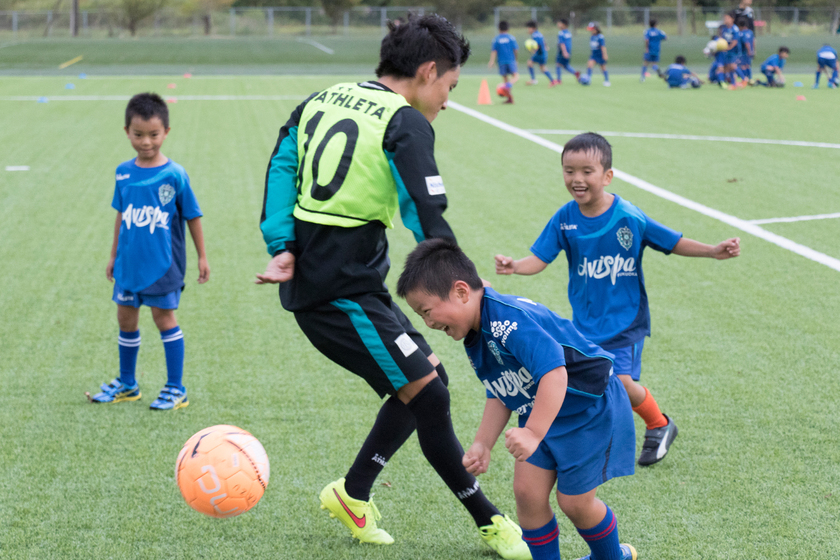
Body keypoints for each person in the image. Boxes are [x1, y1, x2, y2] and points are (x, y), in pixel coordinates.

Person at [256, 14, 529, 559]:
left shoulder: (320, 99)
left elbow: (281, 166)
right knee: (430, 393)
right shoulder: (403, 121)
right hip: (338, 292)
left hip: (346, 283)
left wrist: (281, 242)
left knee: (425, 382)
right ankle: (492, 521)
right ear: (428, 71)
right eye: (450, 85)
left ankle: (352, 493)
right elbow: (426, 213)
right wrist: (465, 286)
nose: (448, 100)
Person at [494, 133, 741, 467]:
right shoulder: (565, 219)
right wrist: (515, 267)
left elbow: (671, 241)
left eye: (587, 171)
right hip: (585, 323)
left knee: (620, 381)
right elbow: (541, 258)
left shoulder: (628, 216)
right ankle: (586, 437)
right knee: (583, 381)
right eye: (569, 171)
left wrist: (712, 251)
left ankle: (659, 424)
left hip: (625, 321)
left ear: (607, 175)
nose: (577, 179)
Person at [398, 238, 638, 560]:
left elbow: (555, 373)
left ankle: (611, 557)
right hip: (542, 408)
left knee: (575, 504)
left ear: (461, 292)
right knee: (527, 495)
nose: (428, 324)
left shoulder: (507, 321)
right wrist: (483, 443)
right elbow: (502, 389)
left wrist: (533, 432)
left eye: (427, 312)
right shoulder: (475, 331)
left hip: (588, 409)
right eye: (421, 316)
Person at [88, 92, 209, 410]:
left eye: (153, 135)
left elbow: (192, 216)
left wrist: (202, 257)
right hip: (129, 263)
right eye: (138, 134)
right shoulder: (123, 172)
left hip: (162, 265)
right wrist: (113, 255)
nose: (146, 142)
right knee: (125, 318)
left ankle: (176, 388)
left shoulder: (174, 174)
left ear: (166, 132)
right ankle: (128, 384)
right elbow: (121, 215)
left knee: (163, 318)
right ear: (126, 131)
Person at [489, 20, 519, 103]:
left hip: (501, 62)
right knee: (516, 77)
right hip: (511, 60)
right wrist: (516, 60)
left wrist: (492, 61)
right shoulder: (511, 38)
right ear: (508, 29)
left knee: (505, 79)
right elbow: (516, 50)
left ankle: (509, 98)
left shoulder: (496, 39)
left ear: (499, 29)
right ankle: (508, 87)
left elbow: (494, 51)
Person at [524, 20, 558, 87]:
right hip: (543, 54)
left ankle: (533, 79)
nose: (528, 29)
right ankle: (552, 81)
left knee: (529, 63)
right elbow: (543, 42)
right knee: (543, 68)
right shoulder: (539, 34)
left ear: (532, 28)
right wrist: (546, 47)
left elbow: (538, 45)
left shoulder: (535, 35)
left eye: (528, 28)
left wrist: (533, 50)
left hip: (540, 54)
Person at [719, 13, 743, 87]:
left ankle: (744, 78)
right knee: (729, 67)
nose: (726, 20)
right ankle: (733, 83)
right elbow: (722, 39)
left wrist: (728, 48)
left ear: (732, 19)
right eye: (725, 18)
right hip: (727, 51)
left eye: (727, 18)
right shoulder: (724, 29)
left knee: (733, 66)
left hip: (734, 51)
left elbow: (735, 41)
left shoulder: (735, 29)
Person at [554, 19, 579, 85]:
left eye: (559, 23)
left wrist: (564, 52)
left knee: (558, 64)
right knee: (565, 65)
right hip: (568, 50)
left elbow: (562, 43)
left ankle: (559, 80)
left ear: (563, 25)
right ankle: (576, 73)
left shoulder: (561, 33)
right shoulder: (568, 33)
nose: (558, 25)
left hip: (562, 51)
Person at [585, 22, 610, 87]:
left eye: (592, 29)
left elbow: (603, 46)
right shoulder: (592, 36)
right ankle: (588, 80)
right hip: (594, 55)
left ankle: (607, 80)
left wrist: (605, 54)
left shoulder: (600, 37)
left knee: (603, 68)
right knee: (589, 65)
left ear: (596, 29)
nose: (591, 31)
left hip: (600, 54)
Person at [737, 17, 755, 81]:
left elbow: (746, 43)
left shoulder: (741, 33)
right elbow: (753, 41)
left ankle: (744, 79)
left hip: (744, 52)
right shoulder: (750, 32)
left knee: (743, 66)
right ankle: (750, 78)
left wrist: (749, 51)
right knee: (748, 65)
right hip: (750, 51)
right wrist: (753, 50)